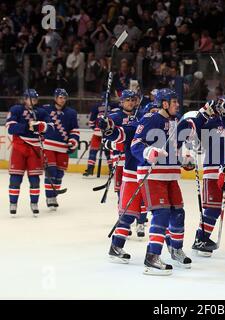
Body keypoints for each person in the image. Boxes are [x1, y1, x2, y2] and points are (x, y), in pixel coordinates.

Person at [131, 88, 213, 275]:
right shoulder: (150, 119)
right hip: (152, 176)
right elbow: (135, 145)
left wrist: (185, 160)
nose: (177, 104)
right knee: (161, 214)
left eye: (177, 101)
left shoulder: (176, 122)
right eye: (173, 101)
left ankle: (175, 249)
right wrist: (149, 152)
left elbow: (181, 143)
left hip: (170, 176)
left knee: (178, 213)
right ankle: (152, 256)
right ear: (164, 103)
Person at [190, 97, 225, 259]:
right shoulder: (209, 123)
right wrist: (204, 111)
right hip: (213, 171)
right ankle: (202, 239)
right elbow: (193, 132)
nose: (222, 108)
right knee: (212, 209)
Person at [98, 90, 149, 262]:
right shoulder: (115, 116)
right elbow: (109, 138)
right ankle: (123, 229)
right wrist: (113, 140)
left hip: (141, 165)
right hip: (124, 162)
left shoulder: (142, 116)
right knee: (124, 196)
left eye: (133, 100)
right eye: (127, 100)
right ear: (121, 101)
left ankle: (142, 221)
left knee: (147, 200)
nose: (130, 103)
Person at [5, 89, 54, 215]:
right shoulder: (16, 109)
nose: (33, 101)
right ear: (25, 99)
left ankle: (34, 203)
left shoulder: (42, 111)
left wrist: (42, 126)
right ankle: (13, 203)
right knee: (15, 178)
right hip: (19, 147)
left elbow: (52, 128)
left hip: (35, 149)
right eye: (31, 98)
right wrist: (27, 127)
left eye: (35, 99)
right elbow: (10, 128)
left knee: (34, 179)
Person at [42, 89, 80, 210]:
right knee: (51, 171)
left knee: (59, 174)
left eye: (64, 98)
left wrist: (73, 141)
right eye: (60, 97)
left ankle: (54, 196)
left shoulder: (71, 113)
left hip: (63, 148)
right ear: (55, 98)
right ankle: (50, 197)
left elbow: (74, 130)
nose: (62, 100)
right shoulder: (46, 109)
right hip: (48, 145)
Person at [83, 93, 119, 178]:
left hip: (97, 132)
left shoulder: (96, 106)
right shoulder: (114, 105)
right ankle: (111, 169)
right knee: (108, 151)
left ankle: (90, 169)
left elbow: (91, 122)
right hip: (108, 131)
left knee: (93, 150)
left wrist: (95, 129)